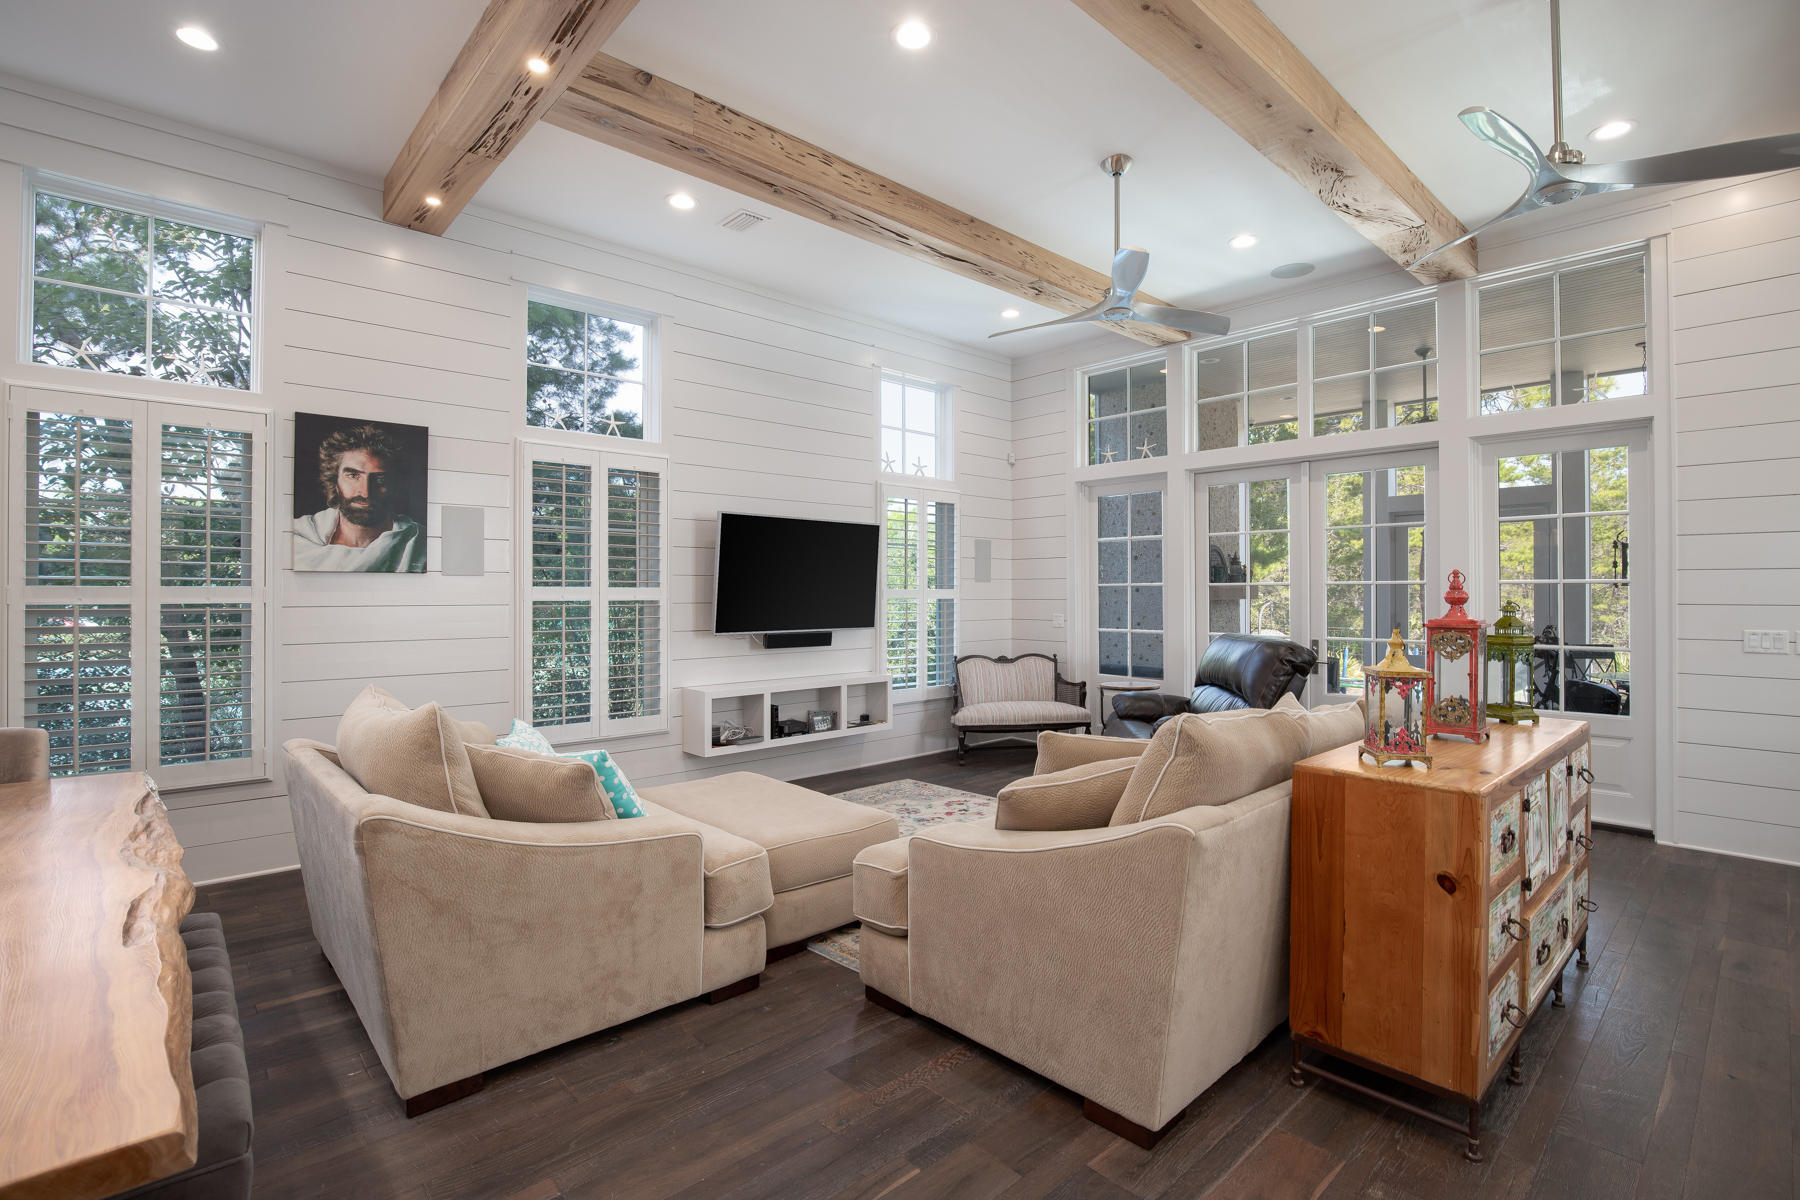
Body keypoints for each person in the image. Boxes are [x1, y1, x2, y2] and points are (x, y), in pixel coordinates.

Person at [293, 423, 425, 572]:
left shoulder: (420, 545)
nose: (365, 492)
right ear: (334, 481)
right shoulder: (299, 537)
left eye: (380, 479)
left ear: (394, 484)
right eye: (353, 475)